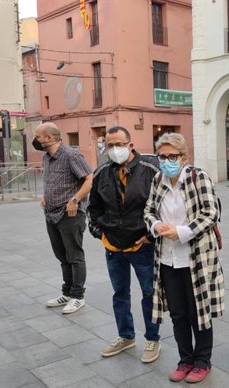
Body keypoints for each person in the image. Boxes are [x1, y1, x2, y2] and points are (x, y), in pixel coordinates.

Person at [144, 133, 224, 384]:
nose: (167, 161)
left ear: (183, 157)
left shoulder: (197, 177)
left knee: (198, 312)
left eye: (172, 156)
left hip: (195, 257)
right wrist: (156, 225)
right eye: (162, 156)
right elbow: (147, 210)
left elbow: (211, 213)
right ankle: (185, 360)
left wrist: (180, 232)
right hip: (167, 258)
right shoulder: (158, 179)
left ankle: (202, 361)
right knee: (178, 313)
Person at [87, 126, 162, 362]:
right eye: (109, 145)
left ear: (130, 144)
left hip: (142, 244)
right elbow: (93, 208)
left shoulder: (151, 171)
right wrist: (99, 232)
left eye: (119, 144)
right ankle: (126, 336)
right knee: (120, 293)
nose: (114, 149)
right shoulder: (101, 173)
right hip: (113, 245)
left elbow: (163, 206)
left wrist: (151, 236)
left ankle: (152, 339)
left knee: (149, 293)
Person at [35, 122, 93, 314]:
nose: (36, 140)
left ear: (49, 138)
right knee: (62, 256)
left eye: (38, 136)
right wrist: (46, 196)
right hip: (51, 213)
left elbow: (88, 178)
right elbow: (52, 181)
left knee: (74, 256)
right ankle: (67, 292)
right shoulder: (46, 157)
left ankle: (78, 296)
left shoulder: (71, 155)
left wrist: (75, 200)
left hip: (70, 214)